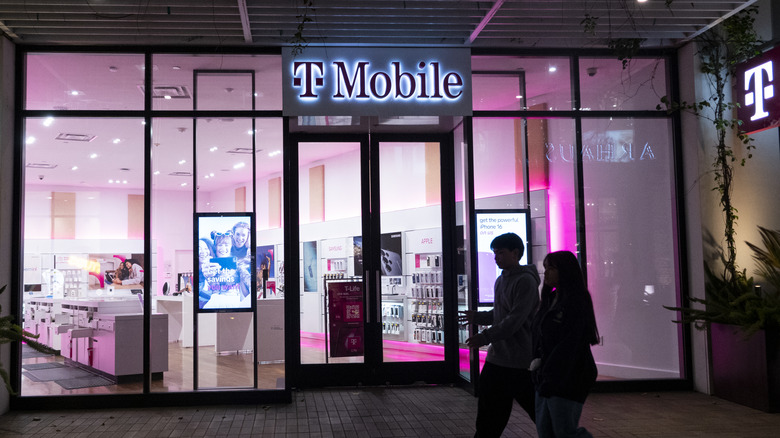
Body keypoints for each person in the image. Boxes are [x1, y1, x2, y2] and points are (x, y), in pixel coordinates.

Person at [458, 232, 540, 437]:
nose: (496, 257)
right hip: (498, 359)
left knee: (540, 413)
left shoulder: (525, 282)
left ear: (516, 253)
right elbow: (500, 313)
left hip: (520, 362)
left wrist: (485, 337)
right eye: (495, 253)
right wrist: (479, 317)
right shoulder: (501, 280)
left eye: (501, 253)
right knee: (488, 418)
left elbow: (514, 319)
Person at [531, 250, 599, 438]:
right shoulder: (549, 299)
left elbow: (570, 344)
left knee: (564, 431)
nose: (547, 273)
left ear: (565, 271)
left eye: (551, 268)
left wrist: (547, 371)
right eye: (545, 268)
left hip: (569, 376)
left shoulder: (576, 300)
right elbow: (540, 337)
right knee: (545, 430)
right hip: (546, 376)